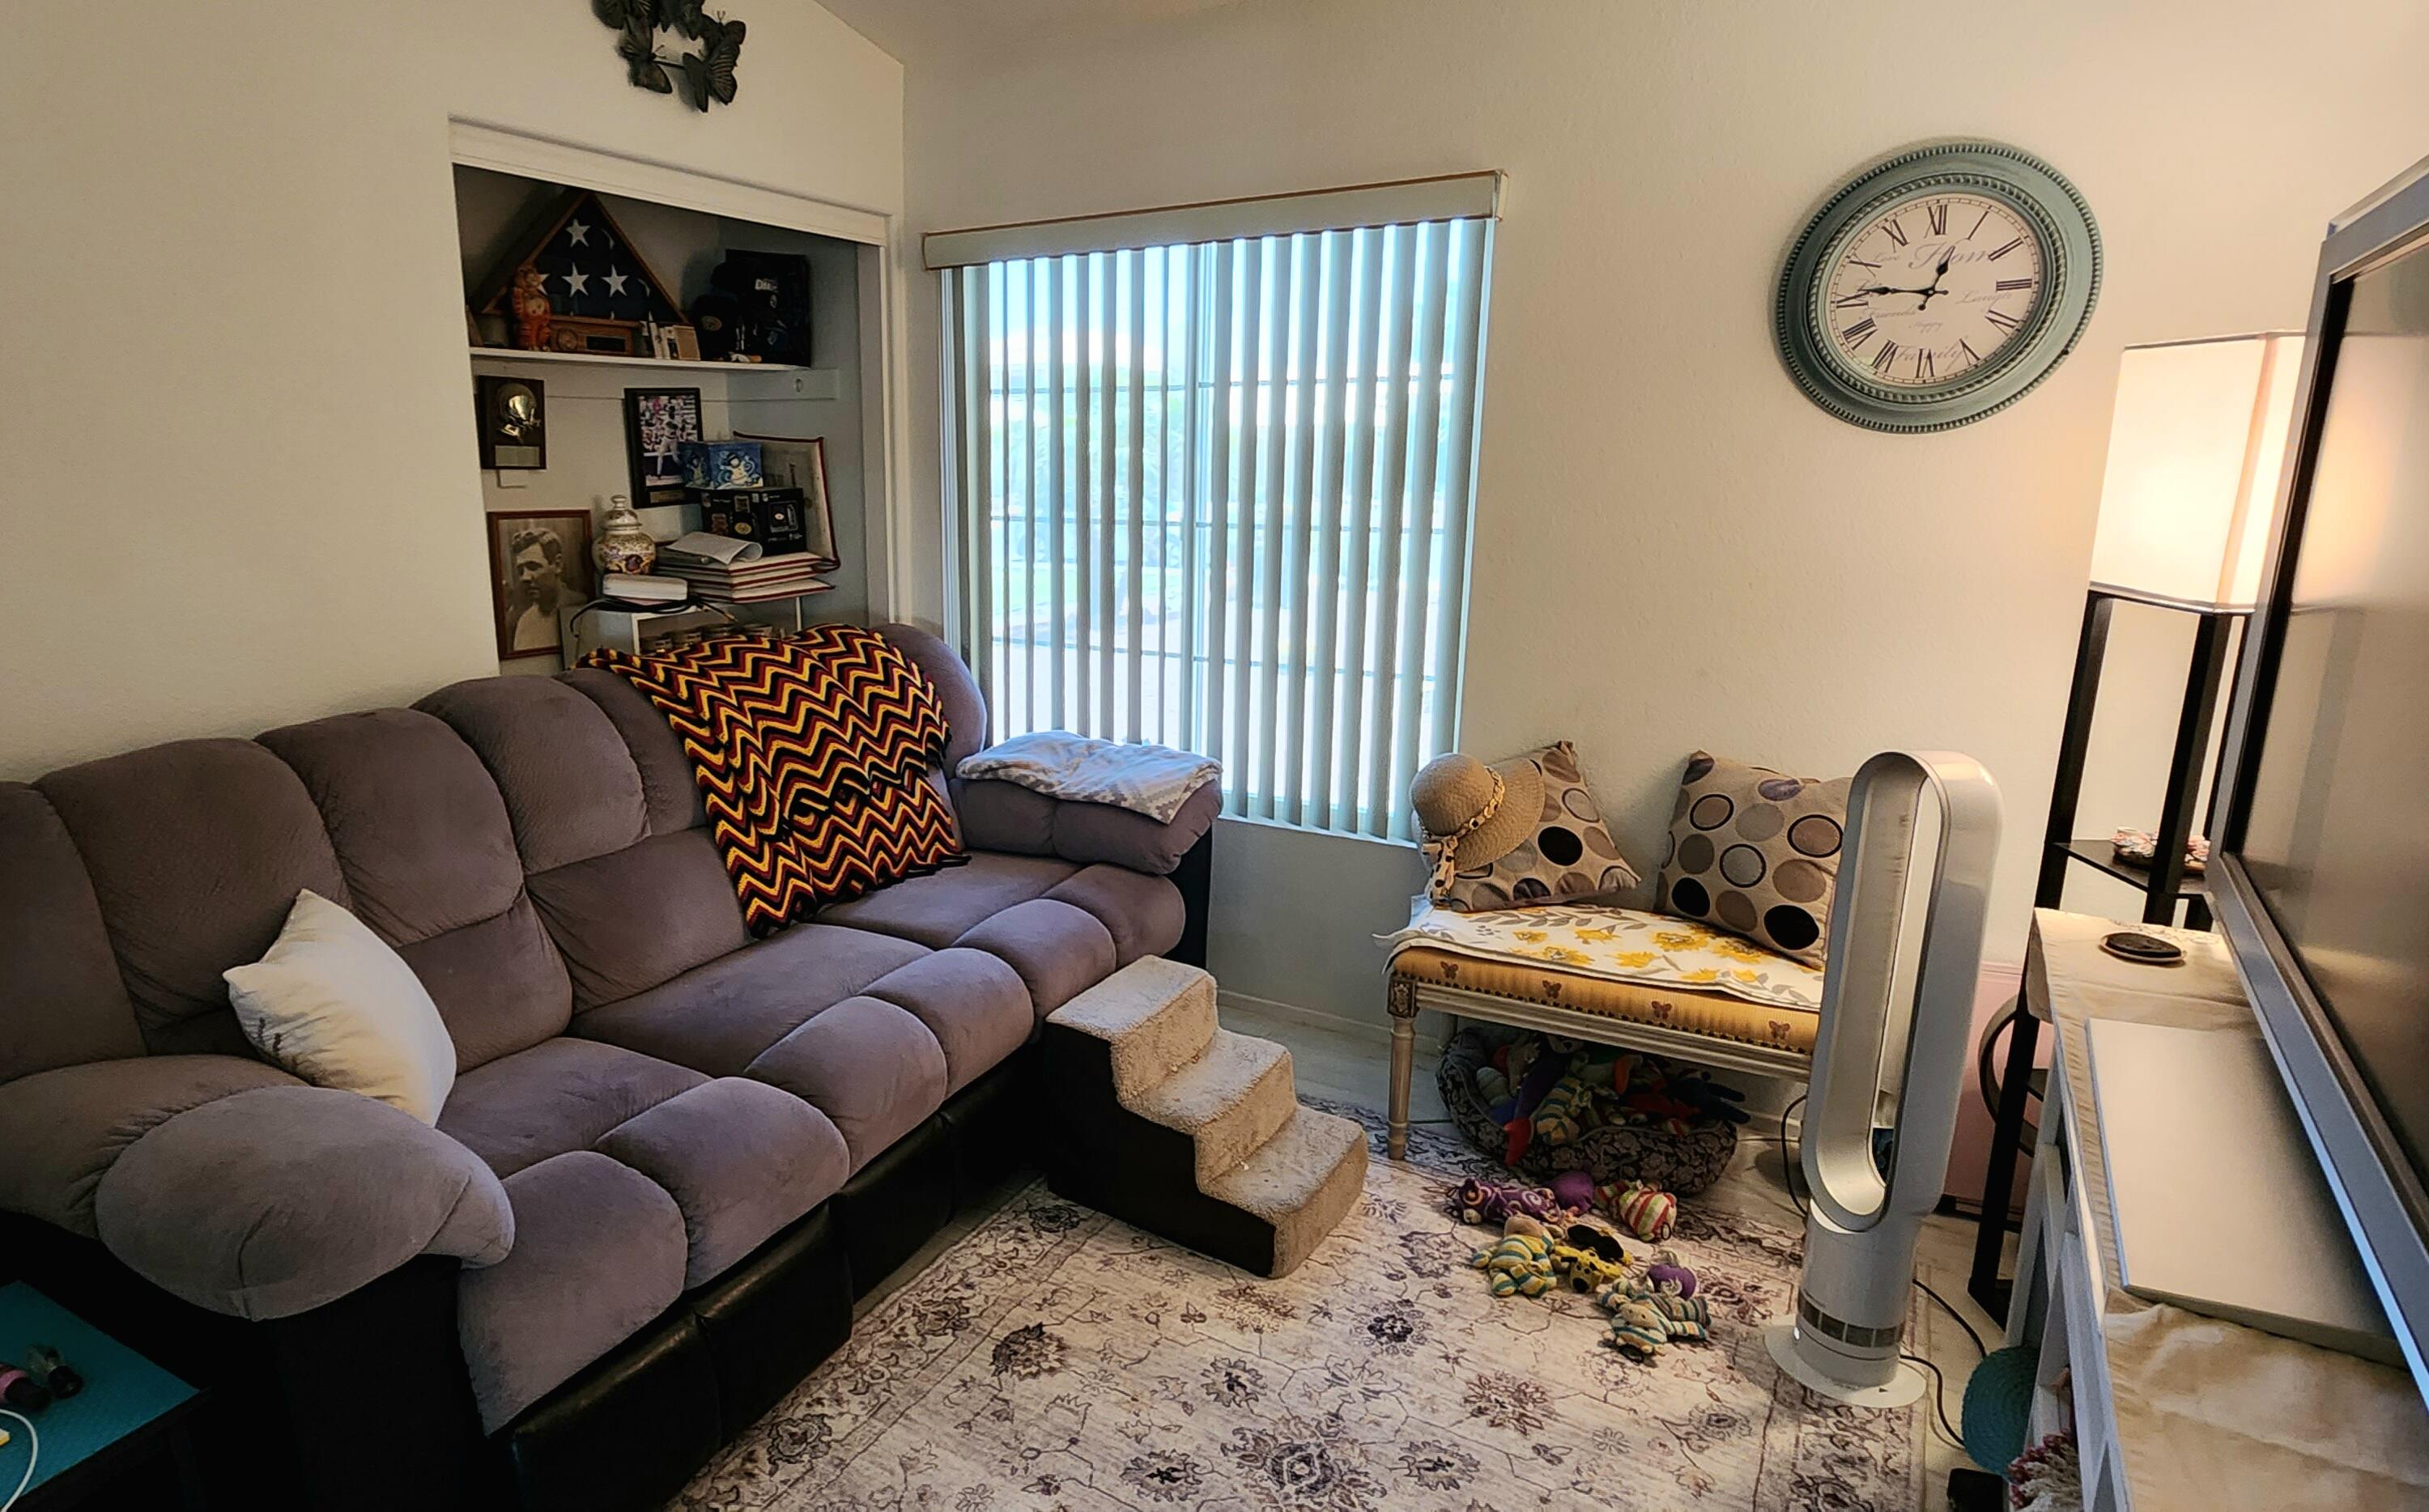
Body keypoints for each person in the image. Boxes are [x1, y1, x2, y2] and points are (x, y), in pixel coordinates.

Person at [507, 525, 571, 652]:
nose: (525, 577)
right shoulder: (525, 622)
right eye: (521, 571)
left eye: (533, 567)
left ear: (557, 565)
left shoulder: (581, 607)